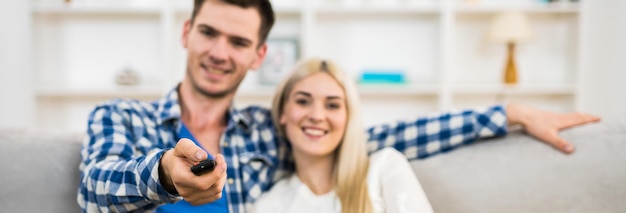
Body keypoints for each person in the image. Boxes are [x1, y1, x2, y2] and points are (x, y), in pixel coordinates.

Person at [77, 0, 600, 212]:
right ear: (187, 33)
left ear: (259, 55)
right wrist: (164, 176)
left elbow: (368, 138)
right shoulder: (122, 117)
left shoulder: (268, 133)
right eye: (209, 33)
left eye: (238, 42)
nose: (219, 51)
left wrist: (506, 112)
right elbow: (93, 188)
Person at [252, 58, 434, 213]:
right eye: (303, 101)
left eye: (332, 105)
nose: (316, 116)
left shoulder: (384, 167)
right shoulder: (268, 206)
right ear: (283, 112)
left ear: (348, 116)